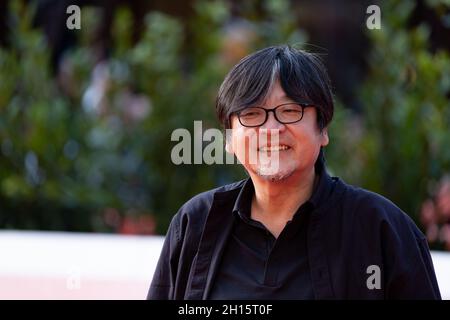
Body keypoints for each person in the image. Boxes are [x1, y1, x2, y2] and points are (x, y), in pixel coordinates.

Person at [147, 45, 441, 300]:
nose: (271, 130)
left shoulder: (383, 230)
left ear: (323, 128)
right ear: (229, 139)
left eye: (290, 111)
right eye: (252, 114)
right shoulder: (196, 224)